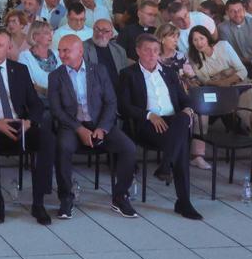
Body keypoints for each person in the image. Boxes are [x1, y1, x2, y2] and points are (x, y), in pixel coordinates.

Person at [0, 29, 56, 224]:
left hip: (19, 123)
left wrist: (29, 121)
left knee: (48, 139)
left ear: (9, 48)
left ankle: (38, 202)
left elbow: (36, 103)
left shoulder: (20, 70)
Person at [47, 34, 138, 219]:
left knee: (128, 148)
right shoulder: (56, 76)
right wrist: (79, 129)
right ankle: (66, 197)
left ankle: (120, 197)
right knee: (63, 148)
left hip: (99, 124)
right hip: (71, 125)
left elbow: (111, 102)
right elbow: (57, 110)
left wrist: (102, 128)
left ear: (80, 51)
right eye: (60, 51)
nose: (62, 54)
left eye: (66, 50)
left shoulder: (99, 70)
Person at [116, 35, 202, 220]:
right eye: (147, 50)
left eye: (156, 50)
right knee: (181, 144)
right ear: (138, 51)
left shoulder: (169, 73)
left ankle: (166, 165)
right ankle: (183, 201)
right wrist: (148, 114)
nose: (152, 54)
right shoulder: (128, 74)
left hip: (173, 122)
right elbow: (123, 106)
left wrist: (188, 108)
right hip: (147, 125)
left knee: (181, 120)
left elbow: (184, 99)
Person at [82, 18, 128, 85]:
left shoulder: (119, 50)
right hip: (95, 90)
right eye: (97, 29)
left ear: (111, 34)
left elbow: (124, 76)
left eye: (105, 31)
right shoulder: (83, 48)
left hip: (117, 89)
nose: (100, 33)